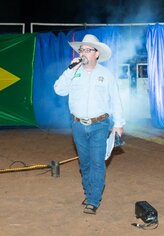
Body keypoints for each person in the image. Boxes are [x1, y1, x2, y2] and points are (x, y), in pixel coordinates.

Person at [54, 34, 125, 215]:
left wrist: (118, 124)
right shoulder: (73, 72)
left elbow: (116, 100)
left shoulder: (106, 75)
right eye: (82, 50)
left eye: (87, 49)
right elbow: (59, 90)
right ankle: (89, 192)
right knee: (84, 164)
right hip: (78, 124)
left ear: (97, 54)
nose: (83, 52)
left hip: (100, 124)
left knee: (97, 163)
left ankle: (93, 200)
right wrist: (70, 69)